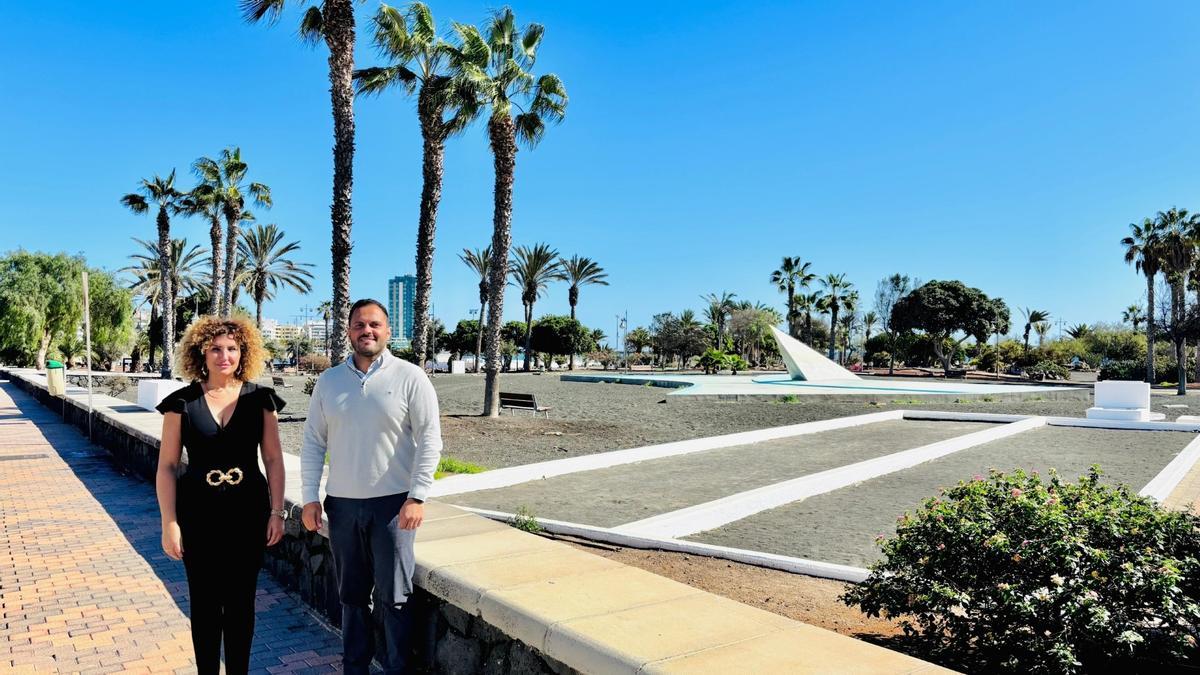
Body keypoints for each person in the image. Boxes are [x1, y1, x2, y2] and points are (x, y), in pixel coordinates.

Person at [300, 299, 442, 674]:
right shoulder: (329, 382)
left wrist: (417, 496)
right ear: (348, 331)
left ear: (388, 331)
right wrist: (309, 498)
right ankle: (355, 669)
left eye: (375, 324)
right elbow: (314, 441)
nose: (368, 331)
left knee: (395, 599)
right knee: (351, 598)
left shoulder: (411, 377)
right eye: (360, 325)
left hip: (393, 507)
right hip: (342, 506)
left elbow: (431, 440)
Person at [154, 316, 288, 674]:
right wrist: (169, 522)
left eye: (232, 348)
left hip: (248, 513)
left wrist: (277, 512)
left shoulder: (261, 400)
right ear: (201, 352)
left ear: (244, 353)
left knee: (242, 604)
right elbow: (167, 466)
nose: (224, 356)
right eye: (215, 348)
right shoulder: (180, 403)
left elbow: (273, 459)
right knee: (204, 605)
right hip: (198, 514)